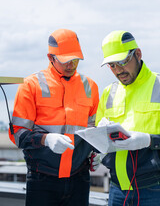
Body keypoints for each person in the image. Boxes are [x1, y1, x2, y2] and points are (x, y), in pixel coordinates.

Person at [96, 30, 160, 206]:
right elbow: (100, 139)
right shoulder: (109, 93)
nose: (118, 70)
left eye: (122, 62)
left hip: (154, 190)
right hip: (117, 190)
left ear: (138, 54)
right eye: (112, 65)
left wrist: (150, 141)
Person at [8, 29, 100, 206]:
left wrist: (96, 151)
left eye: (75, 59)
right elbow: (17, 134)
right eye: (66, 60)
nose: (71, 64)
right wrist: (45, 139)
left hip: (79, 178)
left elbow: (93, 129)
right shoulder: (30, 86)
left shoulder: (90, 86)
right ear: (51, 57)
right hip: (42, 179)